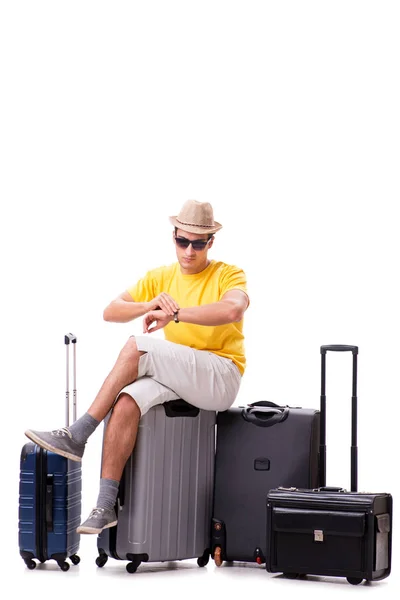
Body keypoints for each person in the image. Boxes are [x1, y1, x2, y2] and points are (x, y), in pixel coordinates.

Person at [25, 199, 249, 534]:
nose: (189, 251)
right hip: (181, 374)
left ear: (211, 243)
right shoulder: (161, 277)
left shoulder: (228, 273)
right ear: (173, 236)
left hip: (220, 375)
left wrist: (175, 314)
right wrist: (151, 304)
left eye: (198, 243)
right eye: (182, 241)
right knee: (127, 400)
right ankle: (105, 504)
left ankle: (79, 433)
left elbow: (233, 310)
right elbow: (110, 310)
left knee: (137, 346)